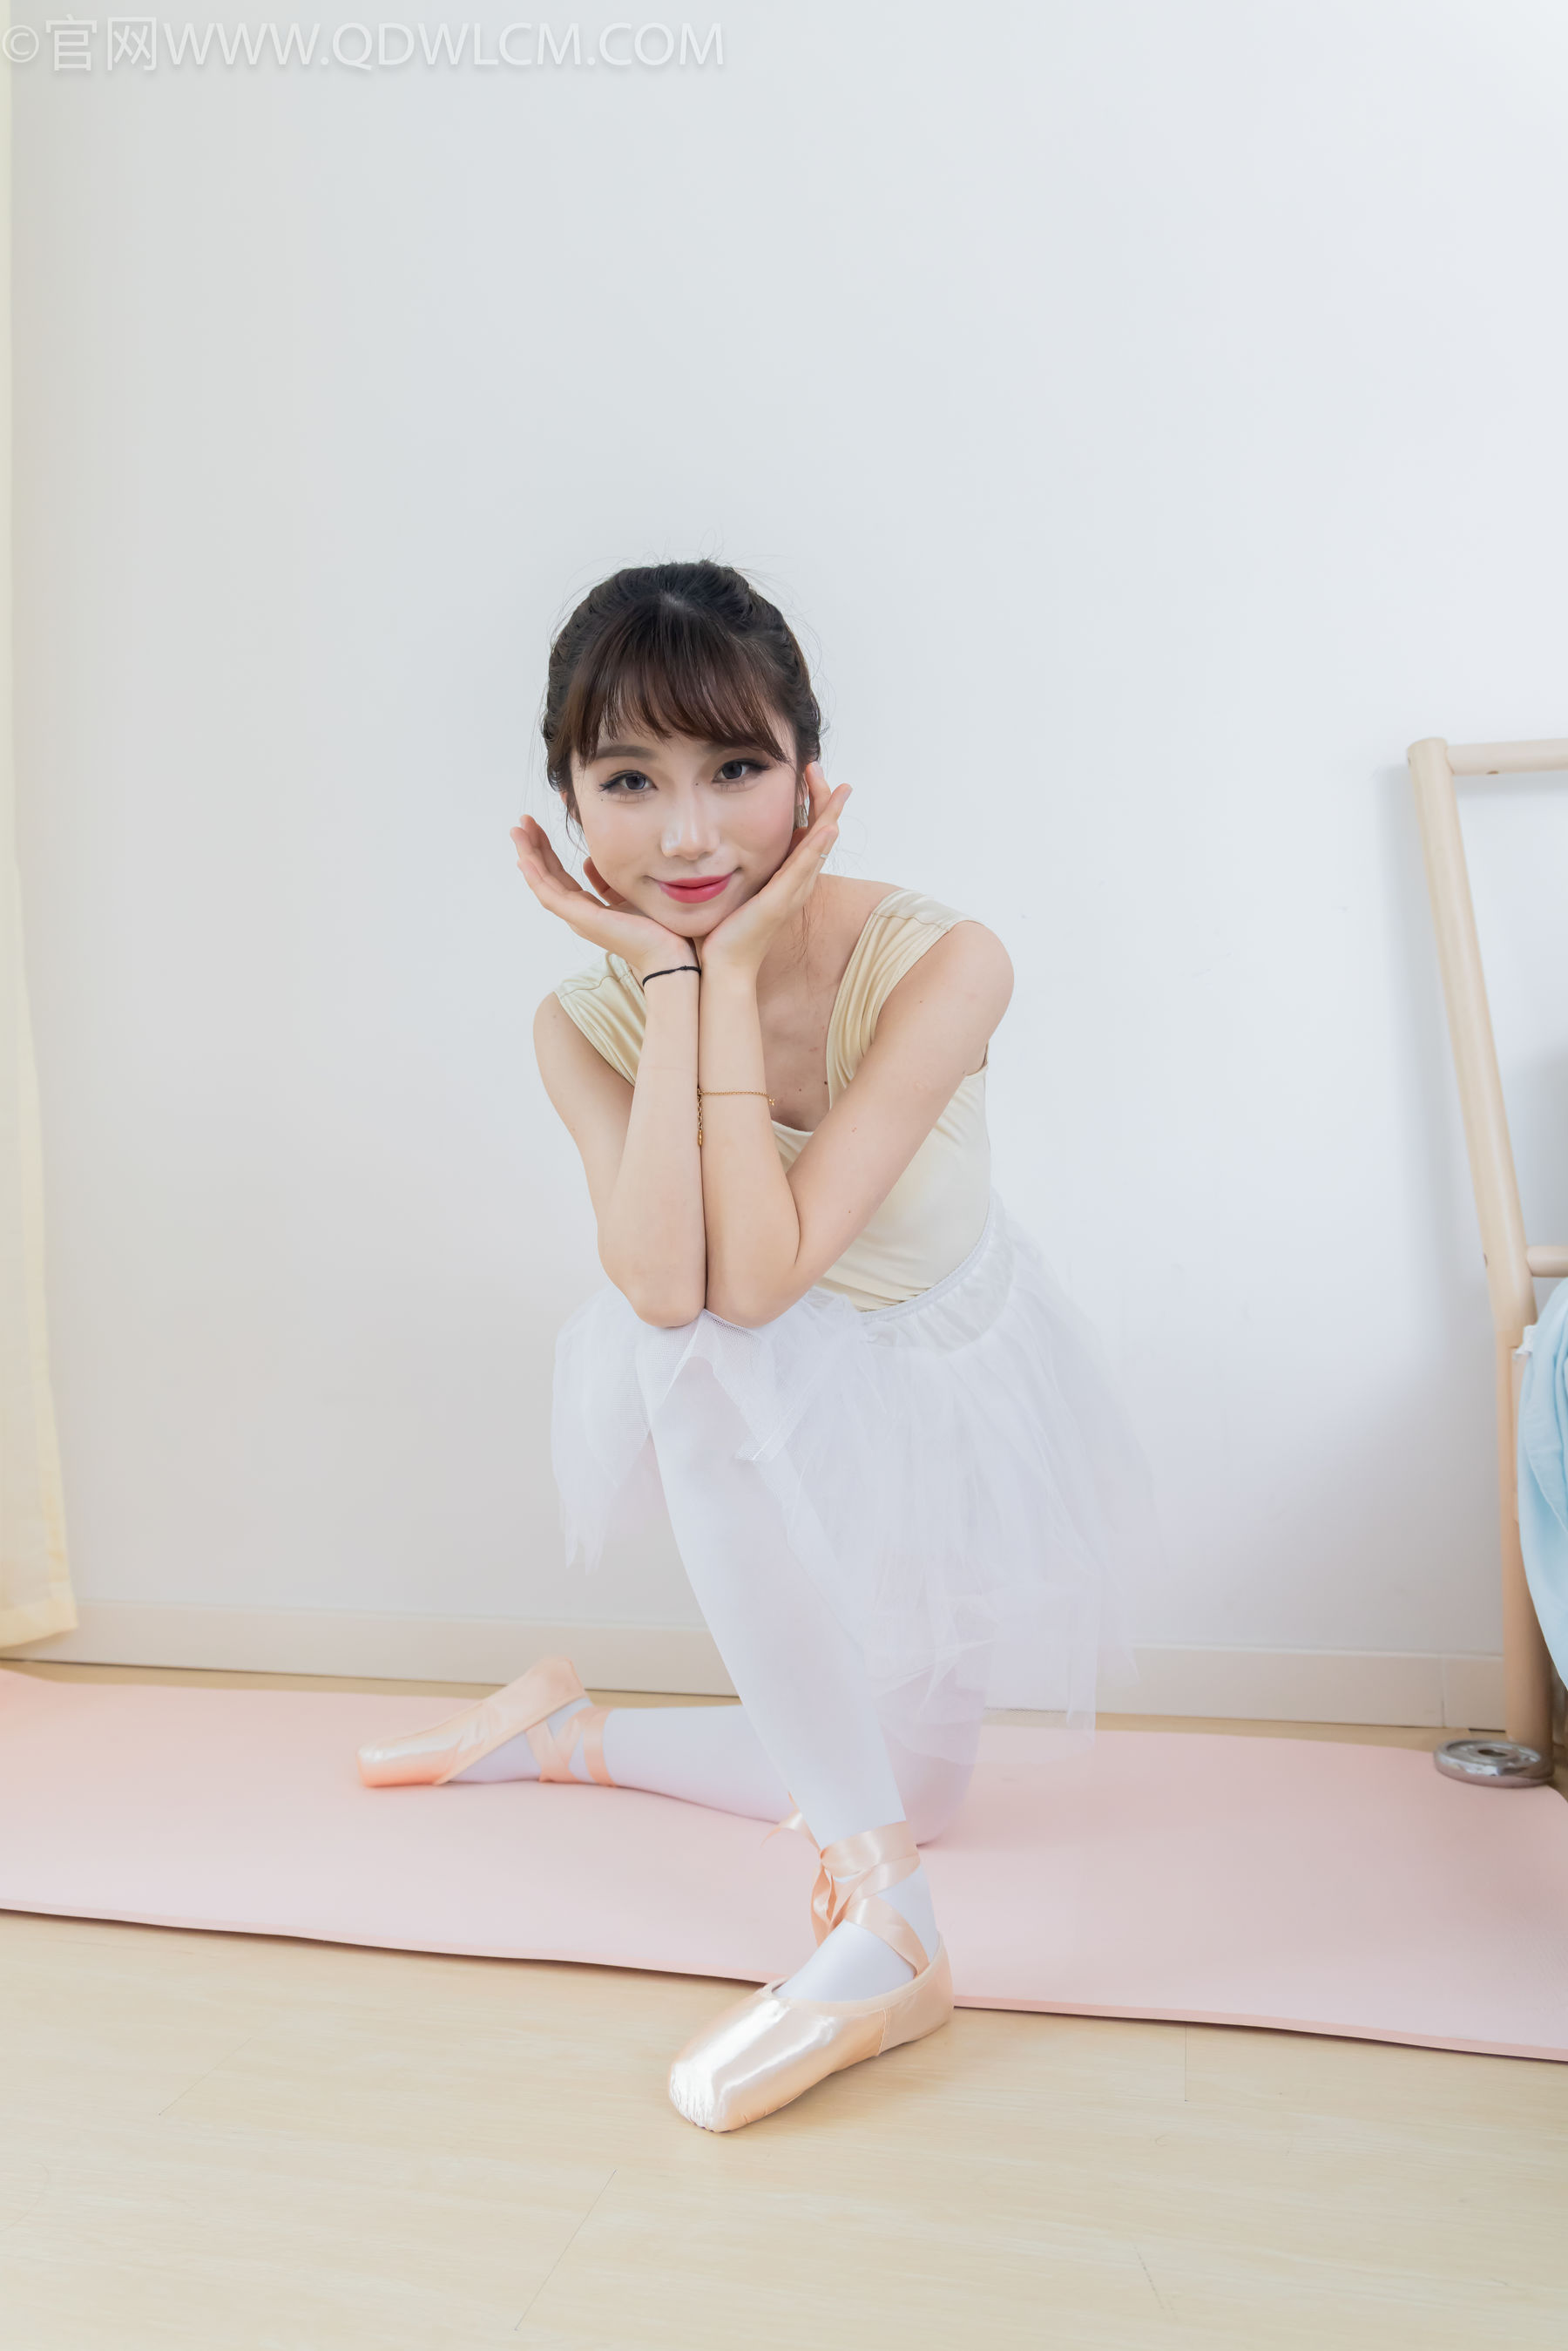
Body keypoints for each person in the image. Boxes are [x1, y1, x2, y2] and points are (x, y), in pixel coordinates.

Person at [356, 560, 1146, 2131]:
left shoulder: (945, 960)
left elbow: (776, 1260)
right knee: (690, 1351)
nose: (688, 833)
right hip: (756, 1384)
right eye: (628, 781)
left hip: (947, 1389)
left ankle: (566, 1734)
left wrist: (717, 968)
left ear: (810, 775)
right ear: (569, 808)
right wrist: (677, 979)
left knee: (932, 1790)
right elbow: (677, 1286)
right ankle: (886, 1923)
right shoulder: (580, 1022)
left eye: (734, 768)